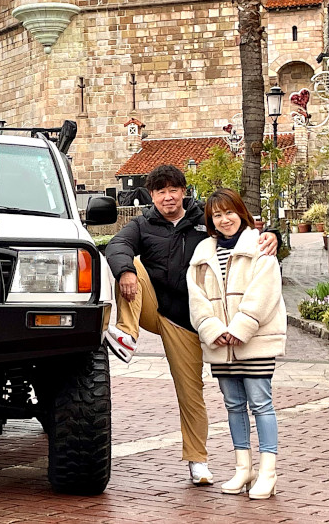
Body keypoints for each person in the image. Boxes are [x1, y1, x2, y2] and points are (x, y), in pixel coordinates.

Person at [104, 165, 278, 485]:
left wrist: (272, 236)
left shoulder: (203, 220)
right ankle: (126, 333)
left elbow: (240, 227)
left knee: (191, 393)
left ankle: (197, 461)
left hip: (208, 319)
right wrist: (125, 270)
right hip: (167, 315)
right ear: (152, 195)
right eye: (160, 191)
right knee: (129, 264)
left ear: (184, 191)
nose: (167, 197)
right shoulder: (143, 226)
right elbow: (116, 246)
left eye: (173, 190)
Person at [187, 188, 286, 499]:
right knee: (233, 406)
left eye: (229, 212)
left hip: (254, 342)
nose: (224, 219)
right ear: (210, 220)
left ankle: (268, 470)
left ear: (241, 213)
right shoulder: (203, 252)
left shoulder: (259, 246)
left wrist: (241, 327)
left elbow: (264, 292)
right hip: (220, 346)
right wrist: (212, 328)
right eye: (217, 215)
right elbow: (197, 297)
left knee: (261, 403)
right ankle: (243, 467)